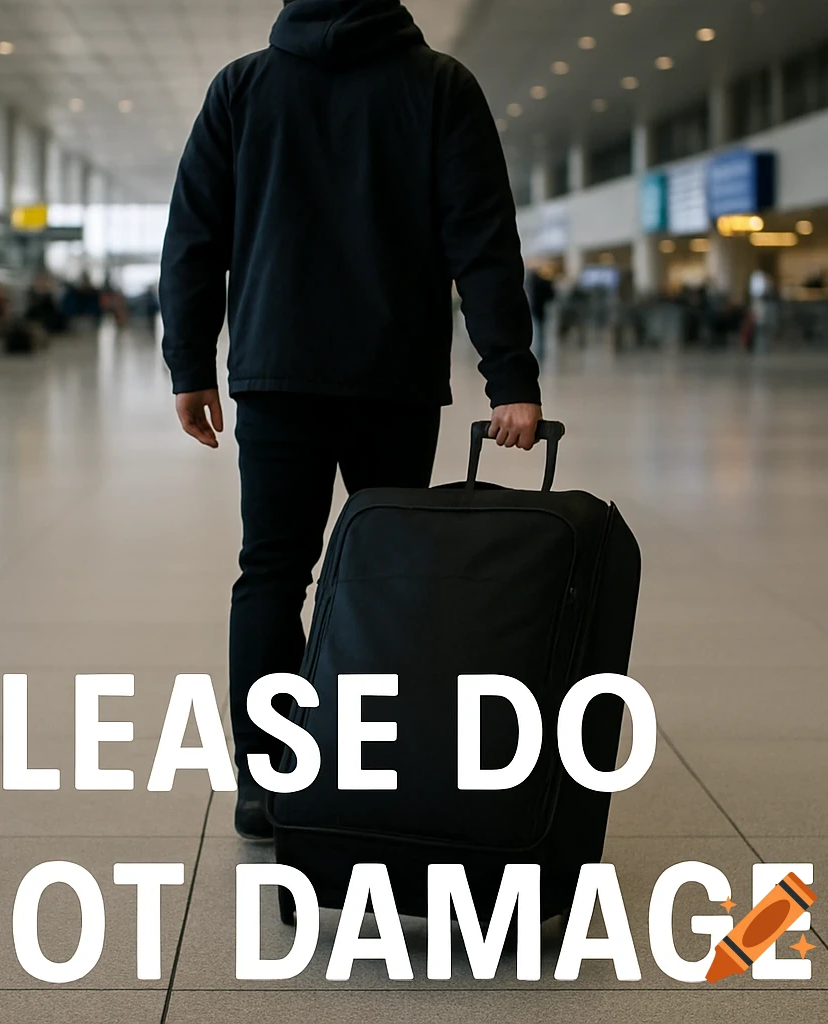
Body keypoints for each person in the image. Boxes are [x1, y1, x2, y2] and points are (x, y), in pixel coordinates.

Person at [159, 0, 542, 840]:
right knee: (388, 576)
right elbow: (482, 239)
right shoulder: (439, 86)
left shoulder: (242, 88)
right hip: (393, 379)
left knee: (272, 571)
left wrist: (190, 363)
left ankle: (267, 781)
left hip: (274, 374)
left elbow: (193, 237)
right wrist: (509, 375)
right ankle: (374, 769)